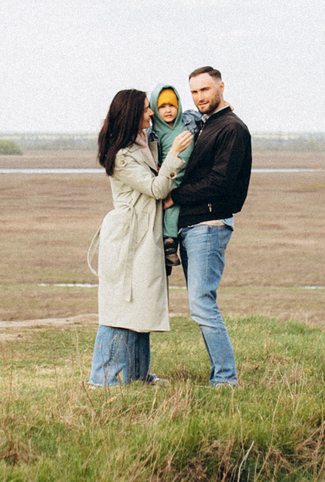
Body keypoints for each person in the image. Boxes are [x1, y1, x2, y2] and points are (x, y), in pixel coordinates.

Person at [89, 87, 195, 386]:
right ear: (132, 114)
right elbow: (157, 189)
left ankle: (136, 375)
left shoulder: (142, 145)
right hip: (128, 237)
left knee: (141, 305)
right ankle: (104, 379)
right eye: (146, 109)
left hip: (143, 234)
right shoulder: (122, 157)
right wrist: (174, 156)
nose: (152, 112)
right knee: (120, 306)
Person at [170, 66, 251, 386]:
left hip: (209, 222)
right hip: (192, 224)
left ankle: (226, 379)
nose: (199, 97)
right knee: (200, 303)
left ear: (220, 87)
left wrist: (173, 197)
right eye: (194, 92)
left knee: (202, 303)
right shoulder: (206, 125)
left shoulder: (231, 128)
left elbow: (220, 182)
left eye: (205, 90)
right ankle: (220, 374)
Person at [148, 84, 197, 281]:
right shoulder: (153, 135)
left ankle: (171, 242)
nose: (168, 110)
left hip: (191, 176)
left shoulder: (190, 121)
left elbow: (209, 119)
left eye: (172, 105)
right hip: (170, 177)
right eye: (162, 106)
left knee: (178, 200)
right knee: (170, 205)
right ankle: (169, 243)